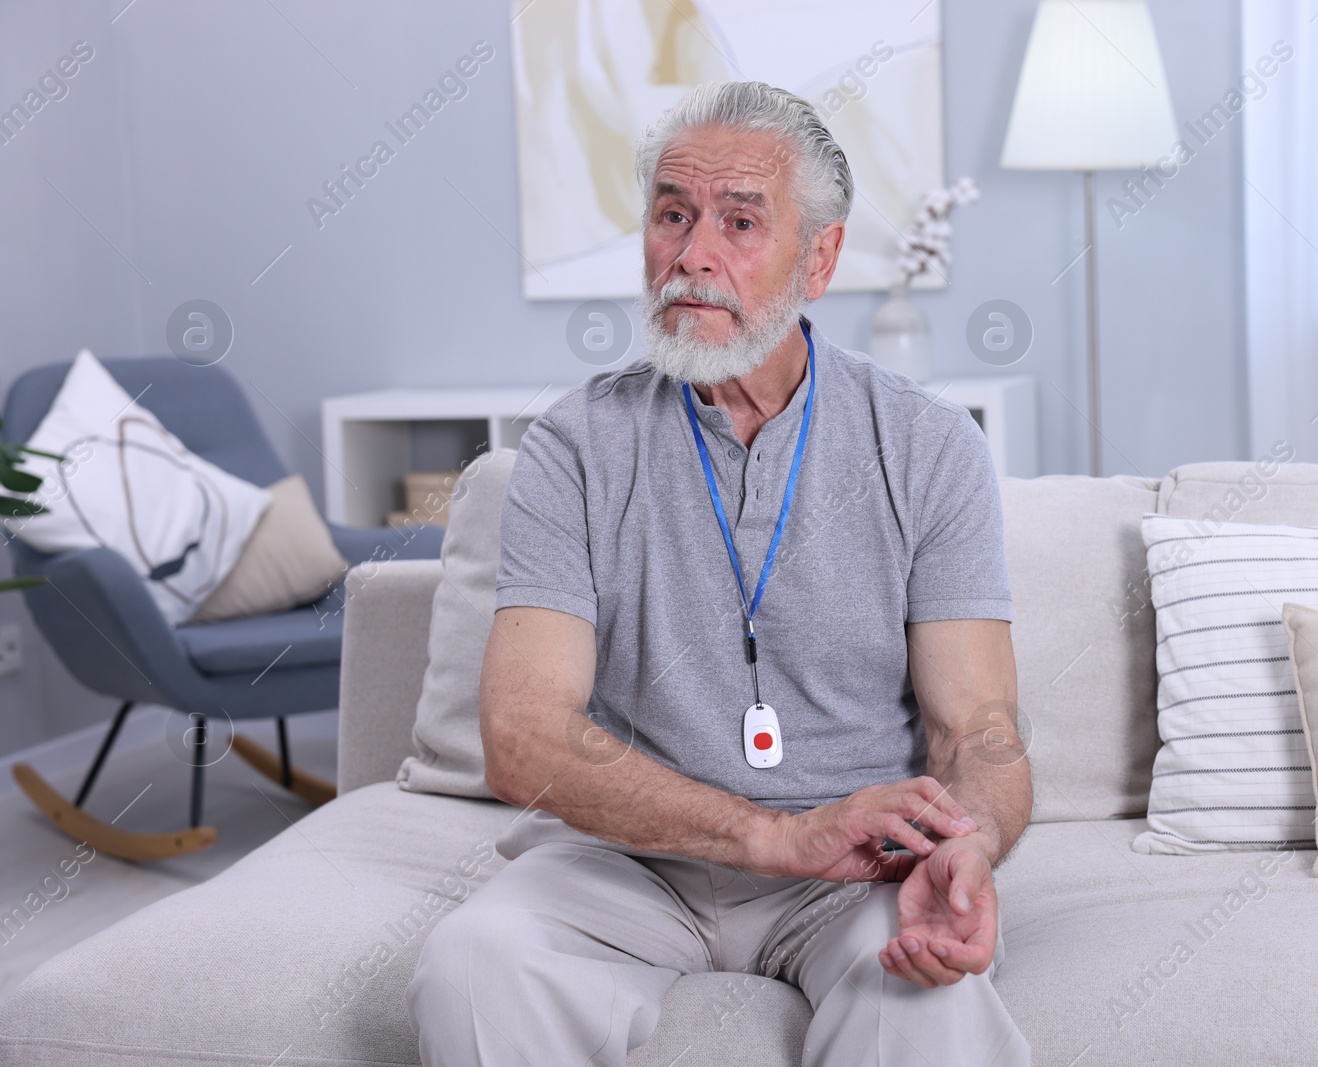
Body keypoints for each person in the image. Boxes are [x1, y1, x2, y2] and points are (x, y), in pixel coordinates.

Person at [407, 80, 1033, 1067]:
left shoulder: (927, 445)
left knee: (928, 1001)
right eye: (671, 214)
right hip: (627, 862)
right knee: (474, 961)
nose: (693, 253)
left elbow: (980, 730)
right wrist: (769, 835)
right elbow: (523, 737)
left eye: (739, 221)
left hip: (854, 871)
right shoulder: (572, 445)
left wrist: (972, 841)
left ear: (818, 258)